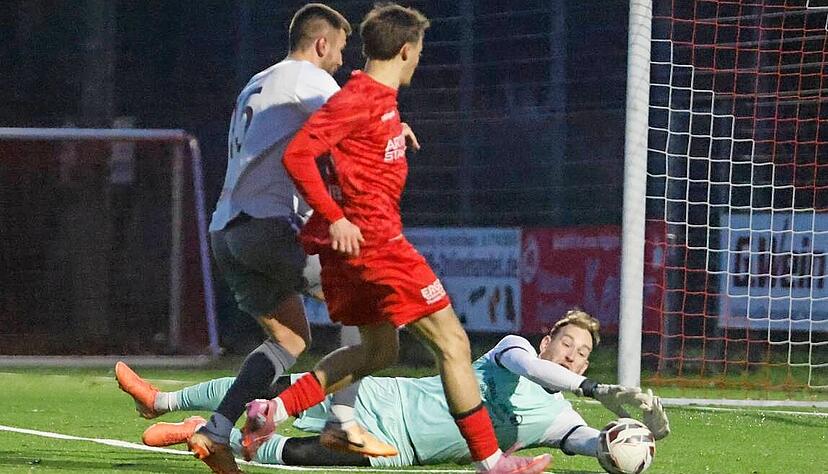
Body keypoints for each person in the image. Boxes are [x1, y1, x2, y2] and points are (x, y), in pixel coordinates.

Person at [238, 4, 552, 473]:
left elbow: (351, 140)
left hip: (359, 254)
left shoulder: (376, 103)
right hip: (378, 247)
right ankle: (492, 462)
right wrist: (335, 217)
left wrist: (390, 132)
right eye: (420, 52)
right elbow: (300, 154)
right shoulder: (359, 99)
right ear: (406, 50)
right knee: (453, 344)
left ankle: (274, 410)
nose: (420, 60)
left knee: (379, 351)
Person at [113, 5, 397, 474]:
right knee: (365, 297)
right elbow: (352, 134)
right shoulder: (313, 82)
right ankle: (343, 419)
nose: (341, 63)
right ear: (321, 44)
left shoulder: (258, 81)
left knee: (290, 338)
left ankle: (216, 429)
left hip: (226, 232)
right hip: (268, 226)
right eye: (340, 51)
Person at [122, 310, 670, 471]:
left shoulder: (558, 420)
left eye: (581, 351)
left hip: (402, 453)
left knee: (299, 456)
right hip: (389, 401)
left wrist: (633, 440)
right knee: (283, 383)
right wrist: (594, 385)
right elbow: (547, 375)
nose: (572, 354)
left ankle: (200, 432)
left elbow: (590, 444)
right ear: (548, 338)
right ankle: (165, 400)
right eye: (567, 343)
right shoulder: (514, 351)